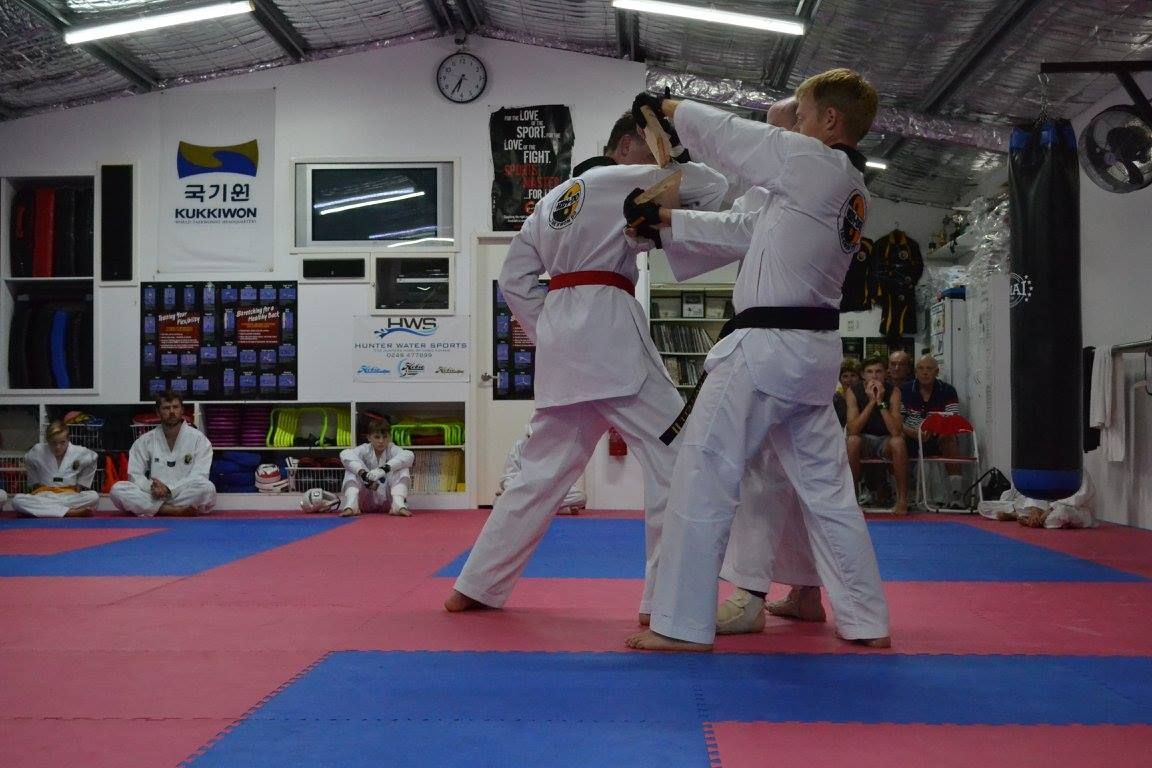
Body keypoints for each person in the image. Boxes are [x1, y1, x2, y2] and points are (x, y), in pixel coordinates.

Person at [624, 68, 891, 653]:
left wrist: (672, 106)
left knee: (703, 471)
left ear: (829, 122)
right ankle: (866, 618)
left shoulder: (813, 164)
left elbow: (740, 137)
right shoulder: (843, 185)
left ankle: (679, 623)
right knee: (828, 493)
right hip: (812, 357)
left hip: (766, 351)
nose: (791, 119)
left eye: (805, 112)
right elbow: (748, 227)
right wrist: (668, 222)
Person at [444, 111, 728, 621]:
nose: (655, 161)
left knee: (537, 476)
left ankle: (475, 585)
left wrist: (549, 328)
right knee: (679, 457)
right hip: (612, 332)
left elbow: (514, 279)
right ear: (625, 146)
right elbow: (713, 188)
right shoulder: (622, 178)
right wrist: (676, 156)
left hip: (563, 345)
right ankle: (663, 601)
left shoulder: (550, 202)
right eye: (650, 148)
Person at [110, 390, 216, 517]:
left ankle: (152, 508)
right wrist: (152, 488)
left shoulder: (199, 440)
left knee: (207, 488)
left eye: (175, 407)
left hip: (182, 492)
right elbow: (135, 476)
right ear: (158, 412)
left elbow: (199, 475)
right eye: (166, 408)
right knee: (118, 490)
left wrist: (169, 489)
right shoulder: (145, 441)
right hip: (153, 494)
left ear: (182, 410)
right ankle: (171, 510)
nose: (172, 412)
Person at [845, 356, 910, 514]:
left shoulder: (893, 391)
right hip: (863, 439)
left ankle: (902, 500)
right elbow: (853, 430)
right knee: (852, 441)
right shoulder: (853, 392)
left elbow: (895, 430)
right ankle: (852, 499)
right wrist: (871, 402)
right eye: (869, 372)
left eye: (878, 372)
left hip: (885, 440)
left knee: (898, 442)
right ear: (863, 375)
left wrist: (880, 401)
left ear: (885, 374)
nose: (874, 376)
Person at [899, 354, 964, 508]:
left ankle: (957, 495)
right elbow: (897, 422)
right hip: (911, 435)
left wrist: (934, 430)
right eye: (921, 369)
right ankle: (903, 495)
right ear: (916, 372)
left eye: (929, 369)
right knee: (896, 441)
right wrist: (914, 433)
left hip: (937, 435)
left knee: (949, 438)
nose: (925, 372)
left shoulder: (948, 390)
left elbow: (953, 419)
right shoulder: (904, 390)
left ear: (937, 371)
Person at [11, 421, 100, 518]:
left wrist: (81, 483)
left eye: (62, 442)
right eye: (54, 443)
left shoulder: (79, 451)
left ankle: (47, 511)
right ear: (47, 440)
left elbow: (93, 459)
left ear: (68, 439)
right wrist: (35, 481)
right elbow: (28, 461)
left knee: (93, 497)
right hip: (44, 495)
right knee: (17, 500)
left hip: (69, 496)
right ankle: (70, 512)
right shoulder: (38, 450)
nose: (58, 447)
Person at [497, 423, 585, 515]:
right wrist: (517, 489)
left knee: (579, 496)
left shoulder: (554, 448)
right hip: (523, 491)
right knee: (499, 501)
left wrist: (544, 489)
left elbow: (563, 480)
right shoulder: (518, 446)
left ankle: (530, 511)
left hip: (547, 492)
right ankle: (554, 510)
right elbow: (508, 477)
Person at [338, 417, 415, 517]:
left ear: (390, 437)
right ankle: (351, 506)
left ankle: (398, 505)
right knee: (351, 469)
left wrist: (384, 469)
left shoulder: (392, 449)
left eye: (385, 437)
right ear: (369, 437)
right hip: (365, 500)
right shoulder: (364, 449)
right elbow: (345, 454)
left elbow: (409, 455)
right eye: (377, 437)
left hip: (389, 501)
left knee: (402, 467)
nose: (381, 441)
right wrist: (363, 473)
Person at [833, 356, 862, 427]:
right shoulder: (835, 399)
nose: (849, 380)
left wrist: (880, 402)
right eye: (845, 376)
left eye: (853, 375)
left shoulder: (866, 396)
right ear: (840, 379)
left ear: (860, 378)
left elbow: (882, 406)